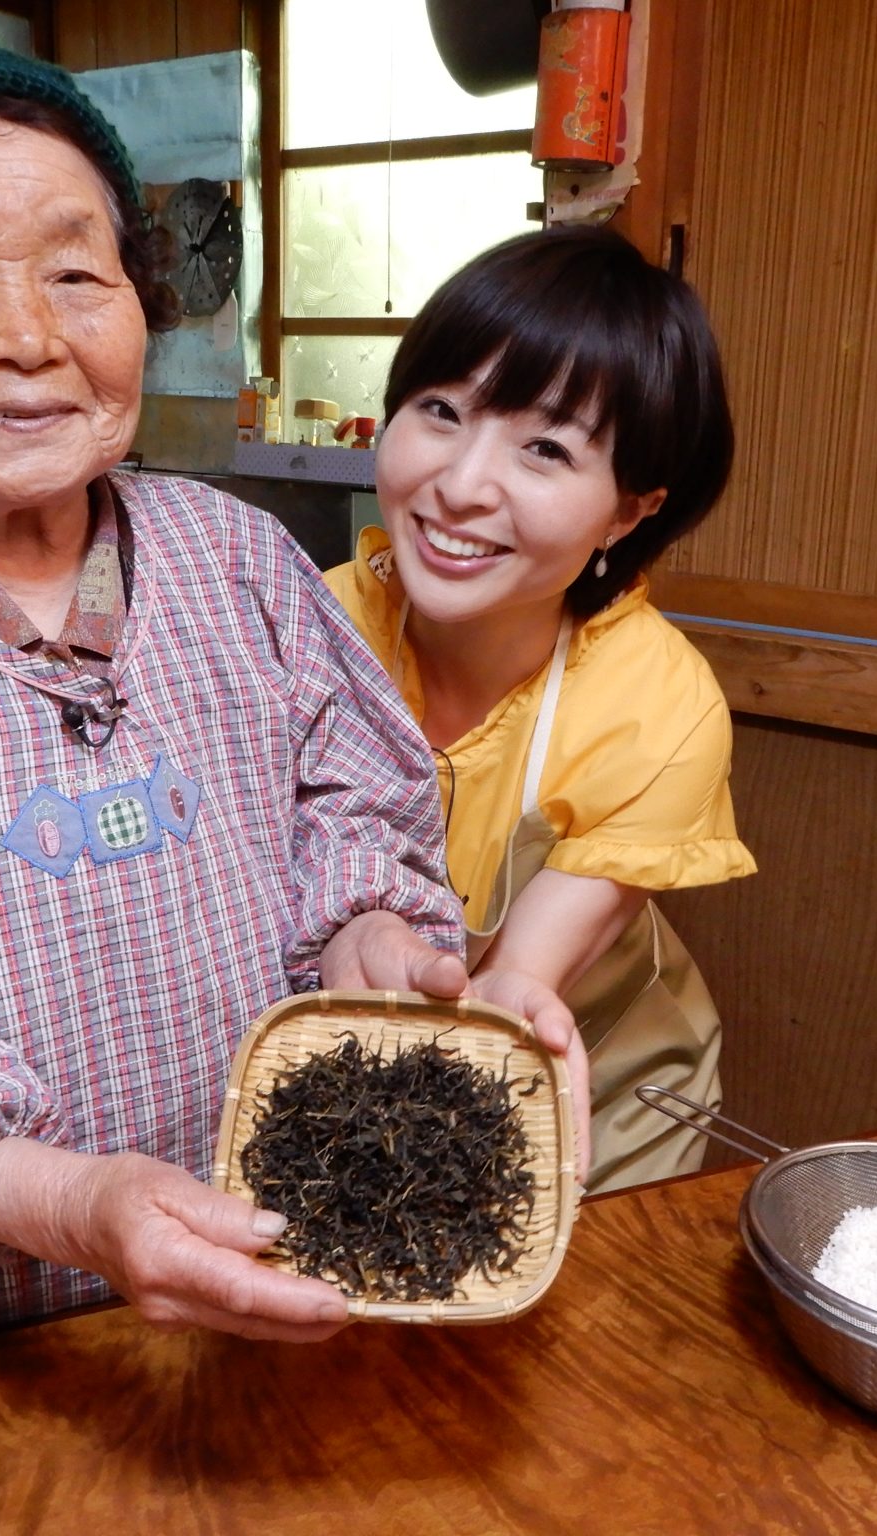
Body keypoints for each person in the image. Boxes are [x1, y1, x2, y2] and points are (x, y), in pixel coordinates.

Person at [0, 37, 579, 1367]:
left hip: (274, 1281)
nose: (29, 336)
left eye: (80, 272)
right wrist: (76, 1202)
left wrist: (369, 928)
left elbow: (355, 798)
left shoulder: (238, 559)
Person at [324, 225, 756, 1194]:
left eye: (546, 449)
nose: (462, 486)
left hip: (596, 1091)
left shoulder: (657, 710)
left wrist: (510, 999)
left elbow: (517, 985)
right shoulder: (309, 626)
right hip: (370, 1084)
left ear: (628, 511)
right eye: (439, 409)